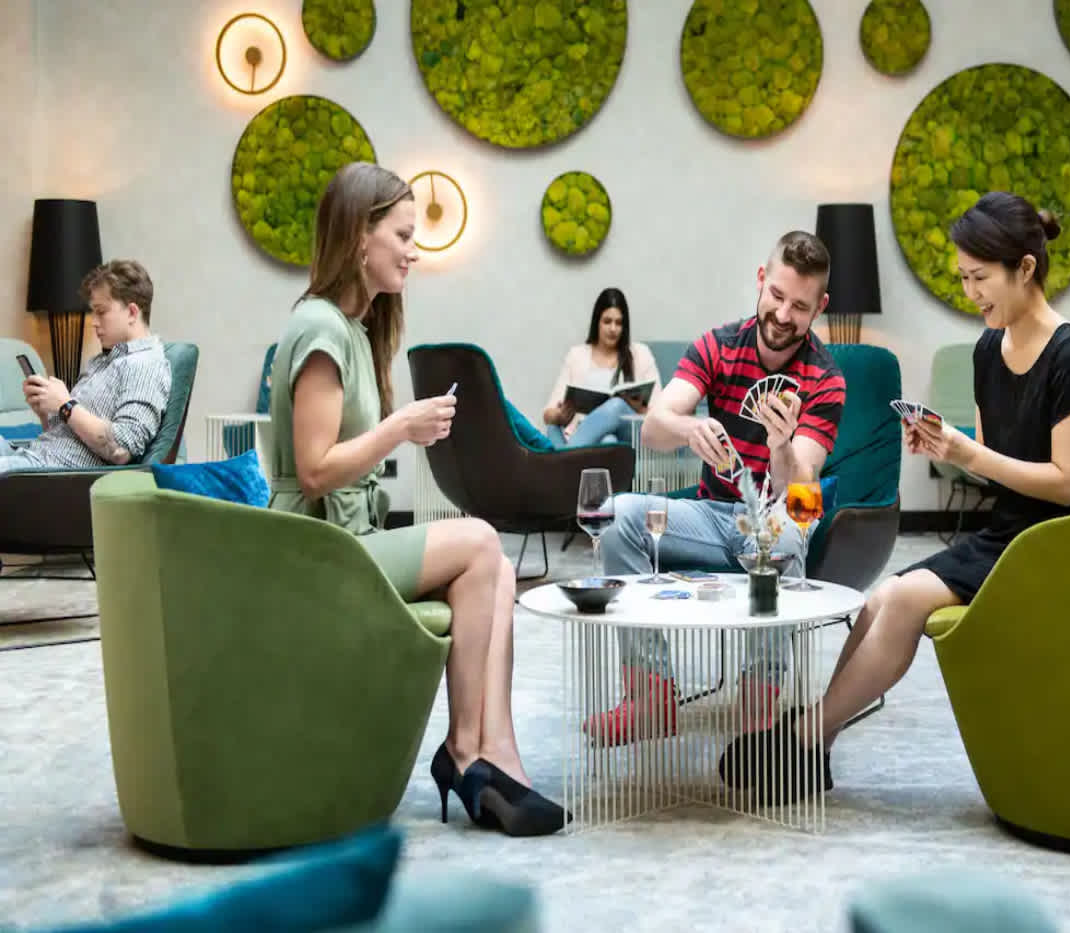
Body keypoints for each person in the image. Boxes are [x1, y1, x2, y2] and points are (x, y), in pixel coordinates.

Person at [719, 191, 1070, 801]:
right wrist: (944, 448)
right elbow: (995, 467)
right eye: (963, 278)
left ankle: (804, 736)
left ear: (1025, 269)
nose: (971, 293)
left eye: (980, 278)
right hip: (1007, 533)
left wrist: (966, 454)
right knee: (879, 598)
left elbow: (1068, 483)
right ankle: (816, 746)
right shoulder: (988, 350)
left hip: (1059, 540)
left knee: (903, 601)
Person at [265, 161, 566, 836]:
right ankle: (465, 750)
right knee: (481, 541)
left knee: (498, 569)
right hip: (312, 547)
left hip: (345, 540)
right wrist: (401, 427)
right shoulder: (319, 328)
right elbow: (313, 471)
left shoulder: (352, 327)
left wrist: (399, 428)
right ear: (359, 236)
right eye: (402, 234)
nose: (413, 250)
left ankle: (497, 755)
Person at [590, 231, 847, 746]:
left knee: (785, 532)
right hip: (712, 515)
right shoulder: (718, 345)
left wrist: (780, 444)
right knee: (614, 514)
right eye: (776, 295)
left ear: (819, 307)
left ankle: (758, 704)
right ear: (761, 280)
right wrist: (691, 429)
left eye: (799, 306)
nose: (782, 315)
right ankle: (651, 696)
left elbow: (801, 489)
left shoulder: (826, 377)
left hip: (781, 511)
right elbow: (654, 428)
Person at [1, 260, 171, 475]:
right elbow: (65, 437)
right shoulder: (103, 361)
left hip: (46, 476)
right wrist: (46, 412)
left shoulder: (145, 365)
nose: (94, 322)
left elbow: (122, 449)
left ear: (131, 313)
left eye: (101, 312)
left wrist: (65, 405)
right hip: (33, 457)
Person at [541, 287, 659, 447]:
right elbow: (548, 413)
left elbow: (661, 411)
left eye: (619, 323)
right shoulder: (576, 355)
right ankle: (570, 457)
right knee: (607, 441)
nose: (613, 329)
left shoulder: (641, 354)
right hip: (588, 436)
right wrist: (559, 415)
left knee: (616, 405)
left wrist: (641, 410)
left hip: (628, 432)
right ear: (597, 322)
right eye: (607, 321)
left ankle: (566, 458)